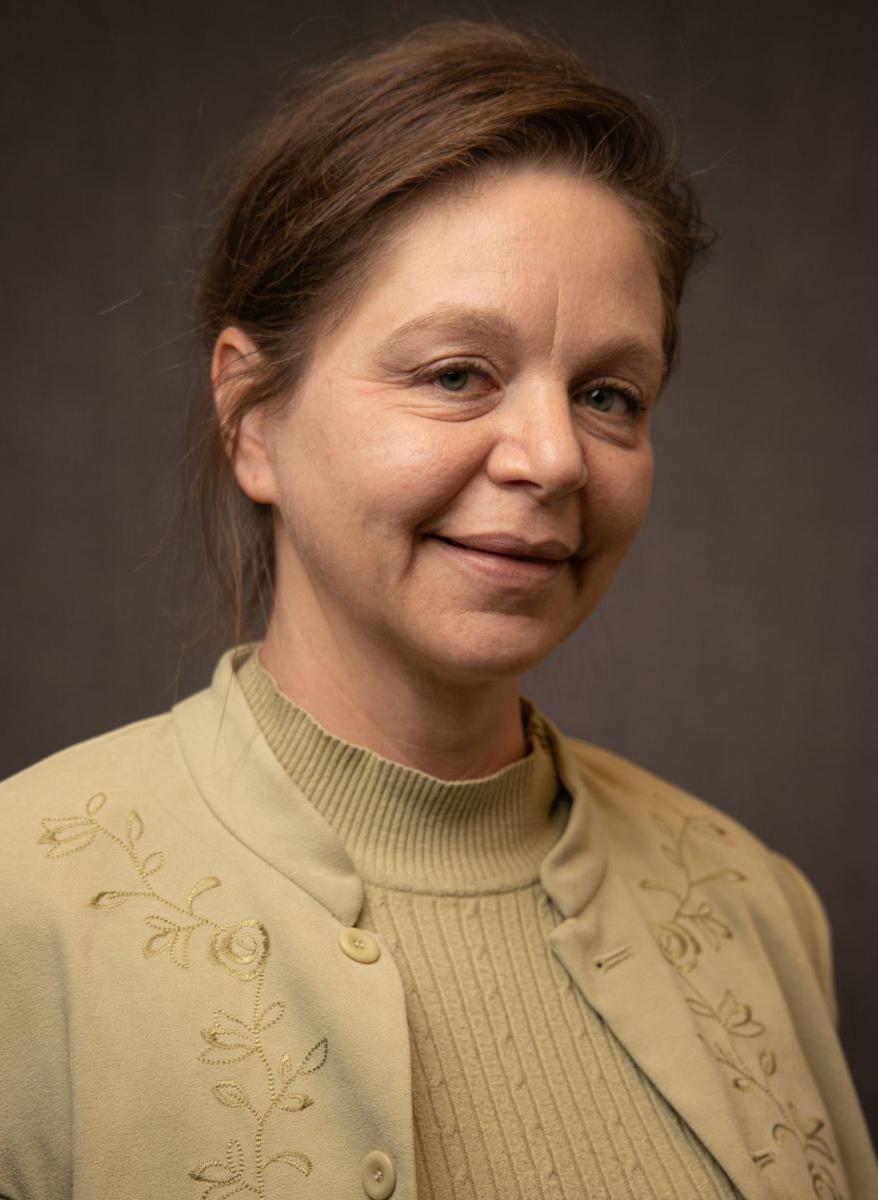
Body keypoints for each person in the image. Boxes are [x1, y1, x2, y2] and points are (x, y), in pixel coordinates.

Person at [0, 18, 873, 1200]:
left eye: (609, 394)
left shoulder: (753, 904)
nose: (555, 457)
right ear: (253, 415)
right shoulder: (24, 909)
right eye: (456, 373)